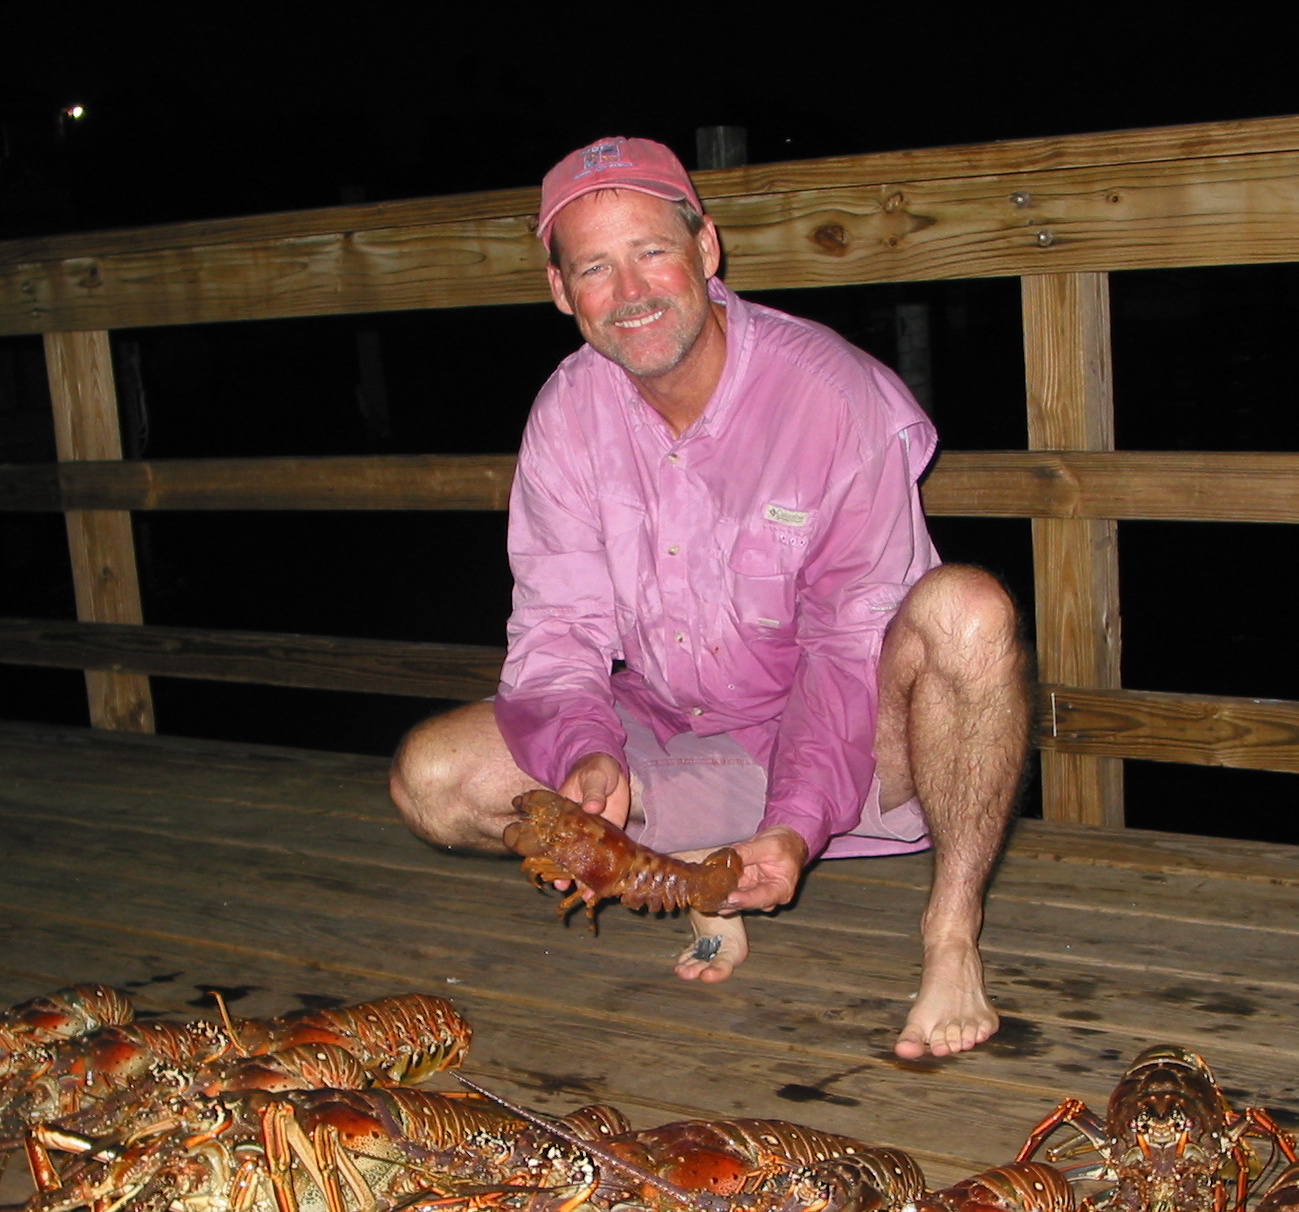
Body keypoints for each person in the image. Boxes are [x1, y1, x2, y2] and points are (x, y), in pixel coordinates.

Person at [390, 136, 1029, 1059]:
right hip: (689, 736)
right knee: (434, 780)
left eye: (652, 250)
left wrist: (795, 826)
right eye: (596, 268)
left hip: (860, 742)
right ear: (562, 292)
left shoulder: (834, 395)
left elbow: (848, 650)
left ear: (707, 249)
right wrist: (586, 755)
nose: (633, 291)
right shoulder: (566, 414)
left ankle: (951, 935)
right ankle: (696, 883)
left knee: (970, 611)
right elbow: (557, 630)